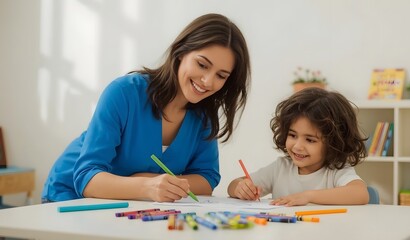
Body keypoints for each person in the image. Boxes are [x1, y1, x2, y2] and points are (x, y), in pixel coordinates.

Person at [42, 13, 251, 203]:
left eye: (221, 76)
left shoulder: (203, 117)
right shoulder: (124, 93)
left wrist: (151, 180)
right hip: (69, 197)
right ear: (181, 52)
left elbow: (207, 179)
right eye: (202, 65)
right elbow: (86, 178)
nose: (207, 81)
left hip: (127, 206)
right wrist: (146, 186)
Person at [227, 88, 369, 206]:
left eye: (310, 140)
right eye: (293, 135)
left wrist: (307, 196)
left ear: (334, 143)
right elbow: (233, 185)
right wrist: (240, 187)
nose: (298, 146)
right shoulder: (280, 168)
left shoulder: (336, 171)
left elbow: (360, 193)